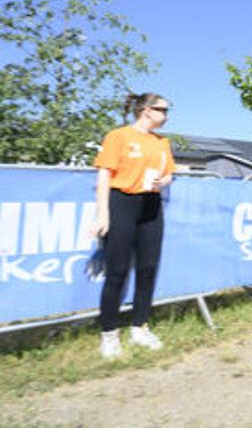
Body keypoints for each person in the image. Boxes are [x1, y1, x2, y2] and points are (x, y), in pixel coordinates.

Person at [90, 92, 176, 359]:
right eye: (162, 109)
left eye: (167, 110)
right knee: (117, 271)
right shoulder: (118, 136)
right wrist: (103, 215)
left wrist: (164, 181)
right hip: (122, 204)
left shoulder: (162, 142)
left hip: (151, 206)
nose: (166, 115)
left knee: (148, 269)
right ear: (146, 110)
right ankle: (109, 334)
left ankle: (140, 327)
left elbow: (169, 173)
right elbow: (104, 175)